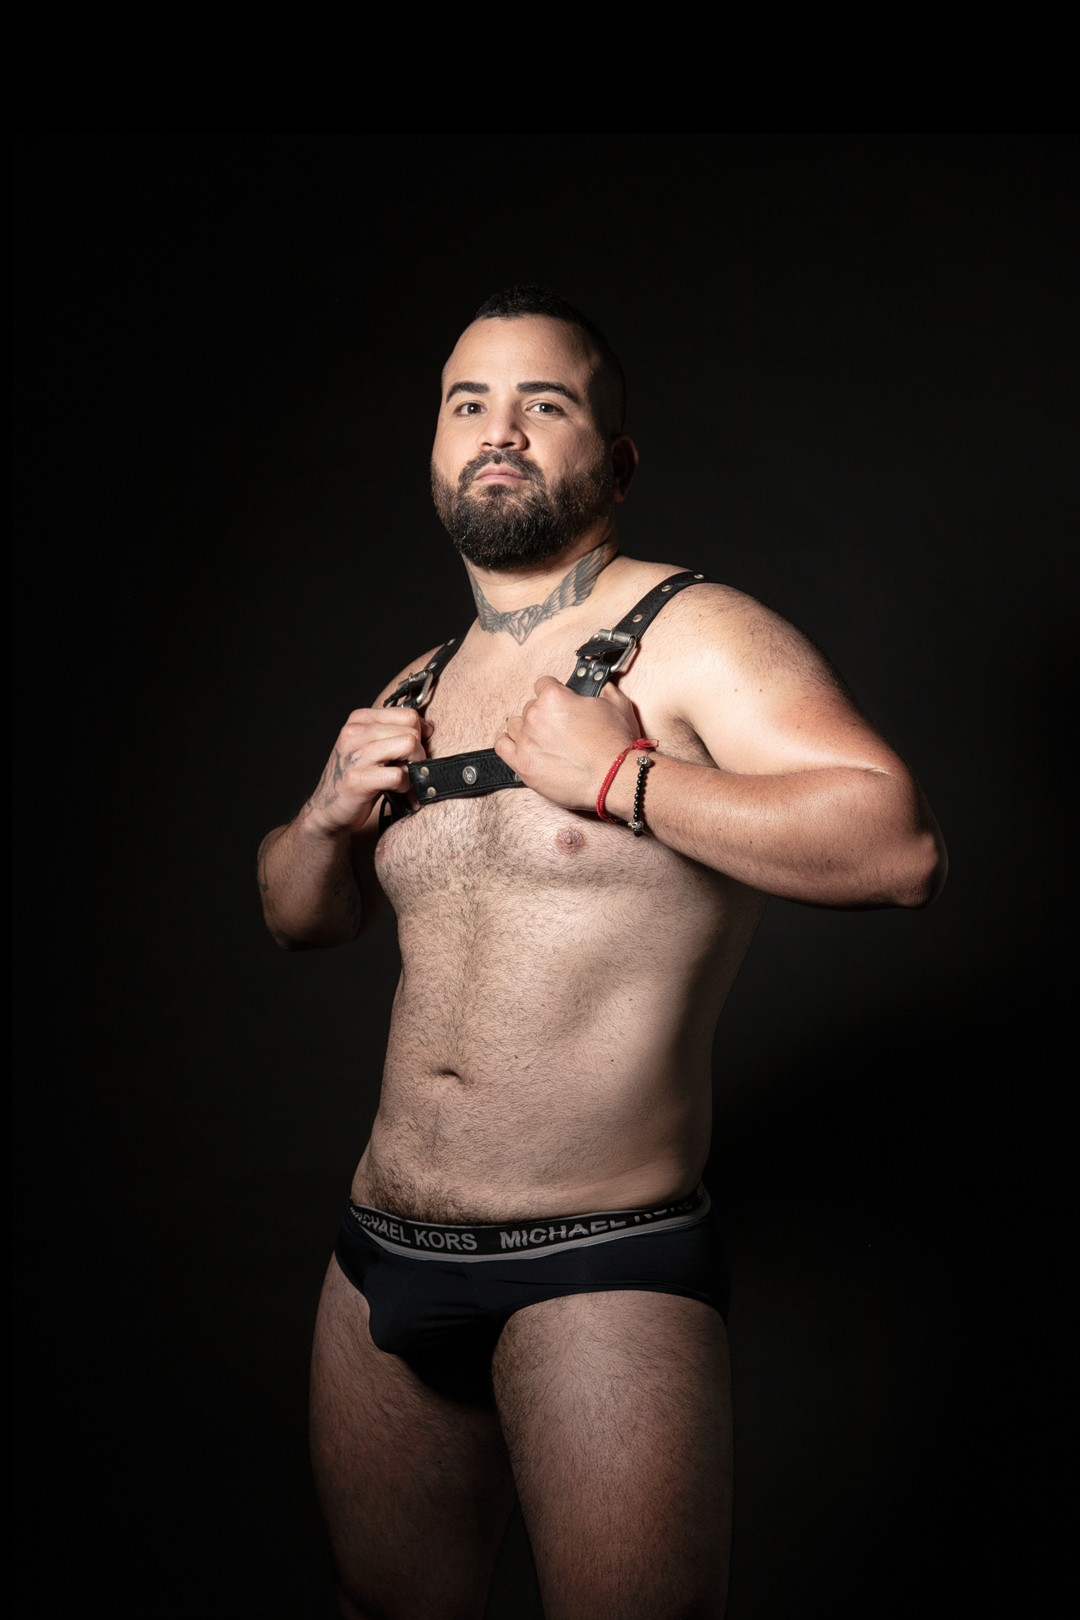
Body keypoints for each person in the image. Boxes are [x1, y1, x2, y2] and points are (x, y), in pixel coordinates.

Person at [257, 284, 948, 1620]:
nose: (500, 429)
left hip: (596, 1263)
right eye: (469, 403)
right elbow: (301, 915)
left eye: (545, 402)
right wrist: (325, 815)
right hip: (379, 1253)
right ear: (438, 448)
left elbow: (896, 845)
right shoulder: (414, 683)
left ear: (617, 462)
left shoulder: (694, 633)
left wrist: (625, 778)